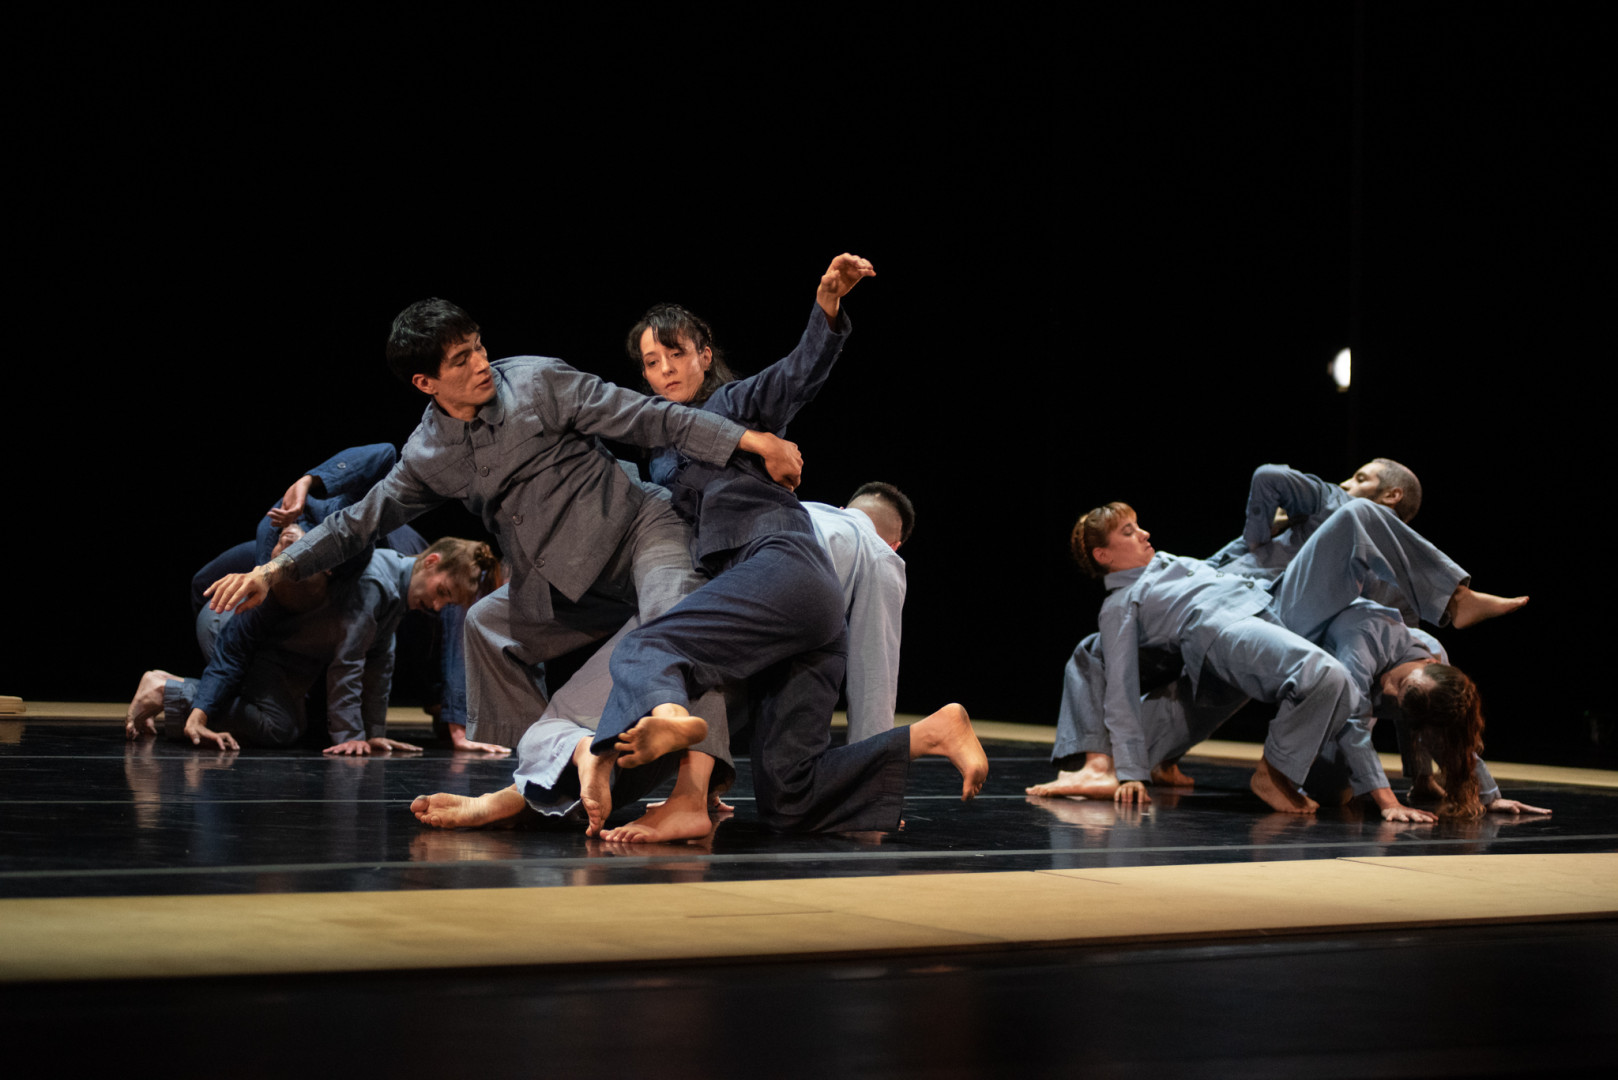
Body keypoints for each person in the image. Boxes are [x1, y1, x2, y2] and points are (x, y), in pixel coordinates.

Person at [411, 254, 986, 841]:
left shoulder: (731, 407)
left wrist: (828, 309)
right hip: (789, 611)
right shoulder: (656, 456)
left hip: (780, 563)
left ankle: (667, 756)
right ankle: (933, 732)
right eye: (651, 362)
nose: (664, 370)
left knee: (652, 645)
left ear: (704, 357)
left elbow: (794, 376)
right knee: (789, 794)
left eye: (676, 353)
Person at [202, 296, 807, 772]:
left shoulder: (538, 381)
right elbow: (358, 520)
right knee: (486, 626)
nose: (480, 363)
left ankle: (687, 759)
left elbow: (649, 415)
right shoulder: (428, 454)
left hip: (638, 528)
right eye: (460, 360)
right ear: (425, 384)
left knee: (673, 618)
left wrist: (751, 440)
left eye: (478, 346)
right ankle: (542, 777)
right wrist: (273, 571)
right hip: (559, 579)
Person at [1051, 498, 1525, 813]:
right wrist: (1127, 768)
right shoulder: (1119, 605)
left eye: (1138, 526)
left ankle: (1455, 600)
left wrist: (1278, 527)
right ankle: (1269, 773)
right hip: (1230, 628)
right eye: (1130, 532)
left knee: (1358, 514)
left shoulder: (1176, 563)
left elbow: (1237, 556)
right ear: (1102, 556)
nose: (1145, 533)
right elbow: (1118, 681)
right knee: (1329, 683)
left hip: (1274, 603)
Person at [1035, 458, 1431, 798]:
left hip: (1273, 616)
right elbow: (1223, 560)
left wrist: (1422, 772)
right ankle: (1106, 763)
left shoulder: (1360, 535)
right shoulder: (1308, 515)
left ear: (1392, 496)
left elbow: (1417, 661)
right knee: (1103, 650)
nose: (1345, 483)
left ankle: (1453, 595)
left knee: (1330, 786)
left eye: (1361, 479)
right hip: (1221, 608)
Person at [128, 537, 492, 753]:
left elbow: (380, 665)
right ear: (430, 562)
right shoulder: (379, 582)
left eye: (450, 604)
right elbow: (348, 662)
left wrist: (374, 734)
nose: (439, 606)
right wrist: (352, 738)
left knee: (289, 725)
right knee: (278, 726)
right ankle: (165, 691)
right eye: (442, 592)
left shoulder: (397, 593)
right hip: (236, 624)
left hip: (279, 653)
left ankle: (173, 692)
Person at [803, 481, 914, 743]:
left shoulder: (800, 509)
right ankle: (936, 732)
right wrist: (871, 758)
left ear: (842, 509)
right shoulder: (881, 553)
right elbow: (875, 673)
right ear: (894, 545)